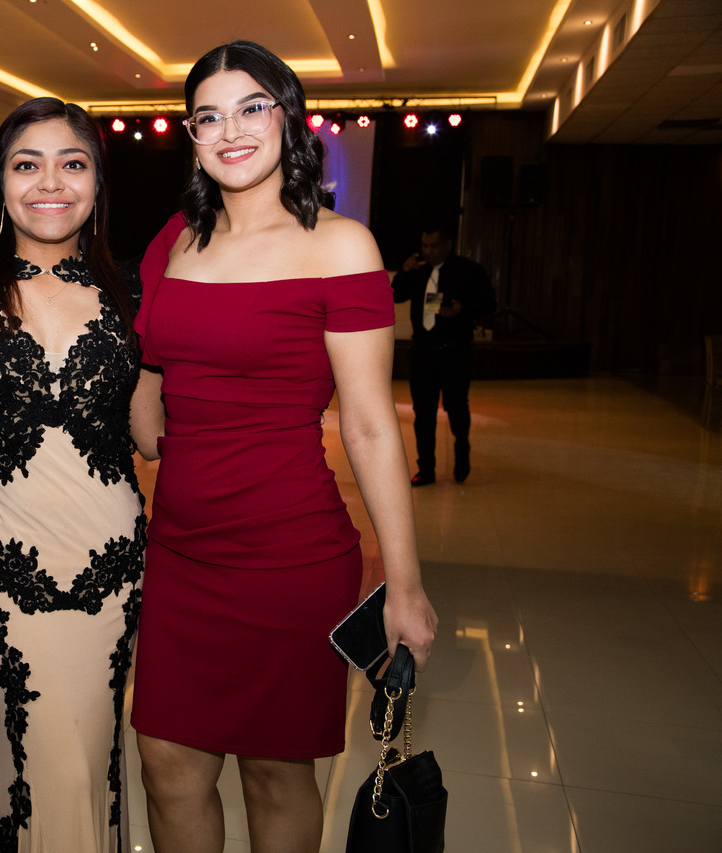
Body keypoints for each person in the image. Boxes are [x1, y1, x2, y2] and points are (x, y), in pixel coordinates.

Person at [128, 41, 438, 853]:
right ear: (191, 135)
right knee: (165, 762)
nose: (230, 130)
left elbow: (369, 425)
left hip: (288, 557)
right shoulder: (174, 241)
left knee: (275, 774)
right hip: (180, 553)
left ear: (289, 118)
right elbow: (150, 375)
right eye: (208, 116)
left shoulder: (341, 246)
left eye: (251, 108)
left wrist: (404, 585)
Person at [0, 98, 146, 852]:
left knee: (87, 752)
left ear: (97, 184)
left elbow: (148, 430)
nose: (50, 182)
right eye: (27, 164)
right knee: (18, 749)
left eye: (72, 164)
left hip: (108, 556)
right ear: (1, 183)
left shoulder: (136, 288)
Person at [391, 223, 496, 485]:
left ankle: (462, 452)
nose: (428, 251)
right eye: (424, 245)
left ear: (448, 245)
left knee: (456, 407)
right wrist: (404, 272)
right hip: (423, 353)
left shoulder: (468, 270)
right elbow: (395, 295)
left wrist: (463, 309)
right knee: (423, 413)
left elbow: (489, 304)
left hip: (455, 353)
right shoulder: (418, 270)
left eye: (434, 246)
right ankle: (426, 468)